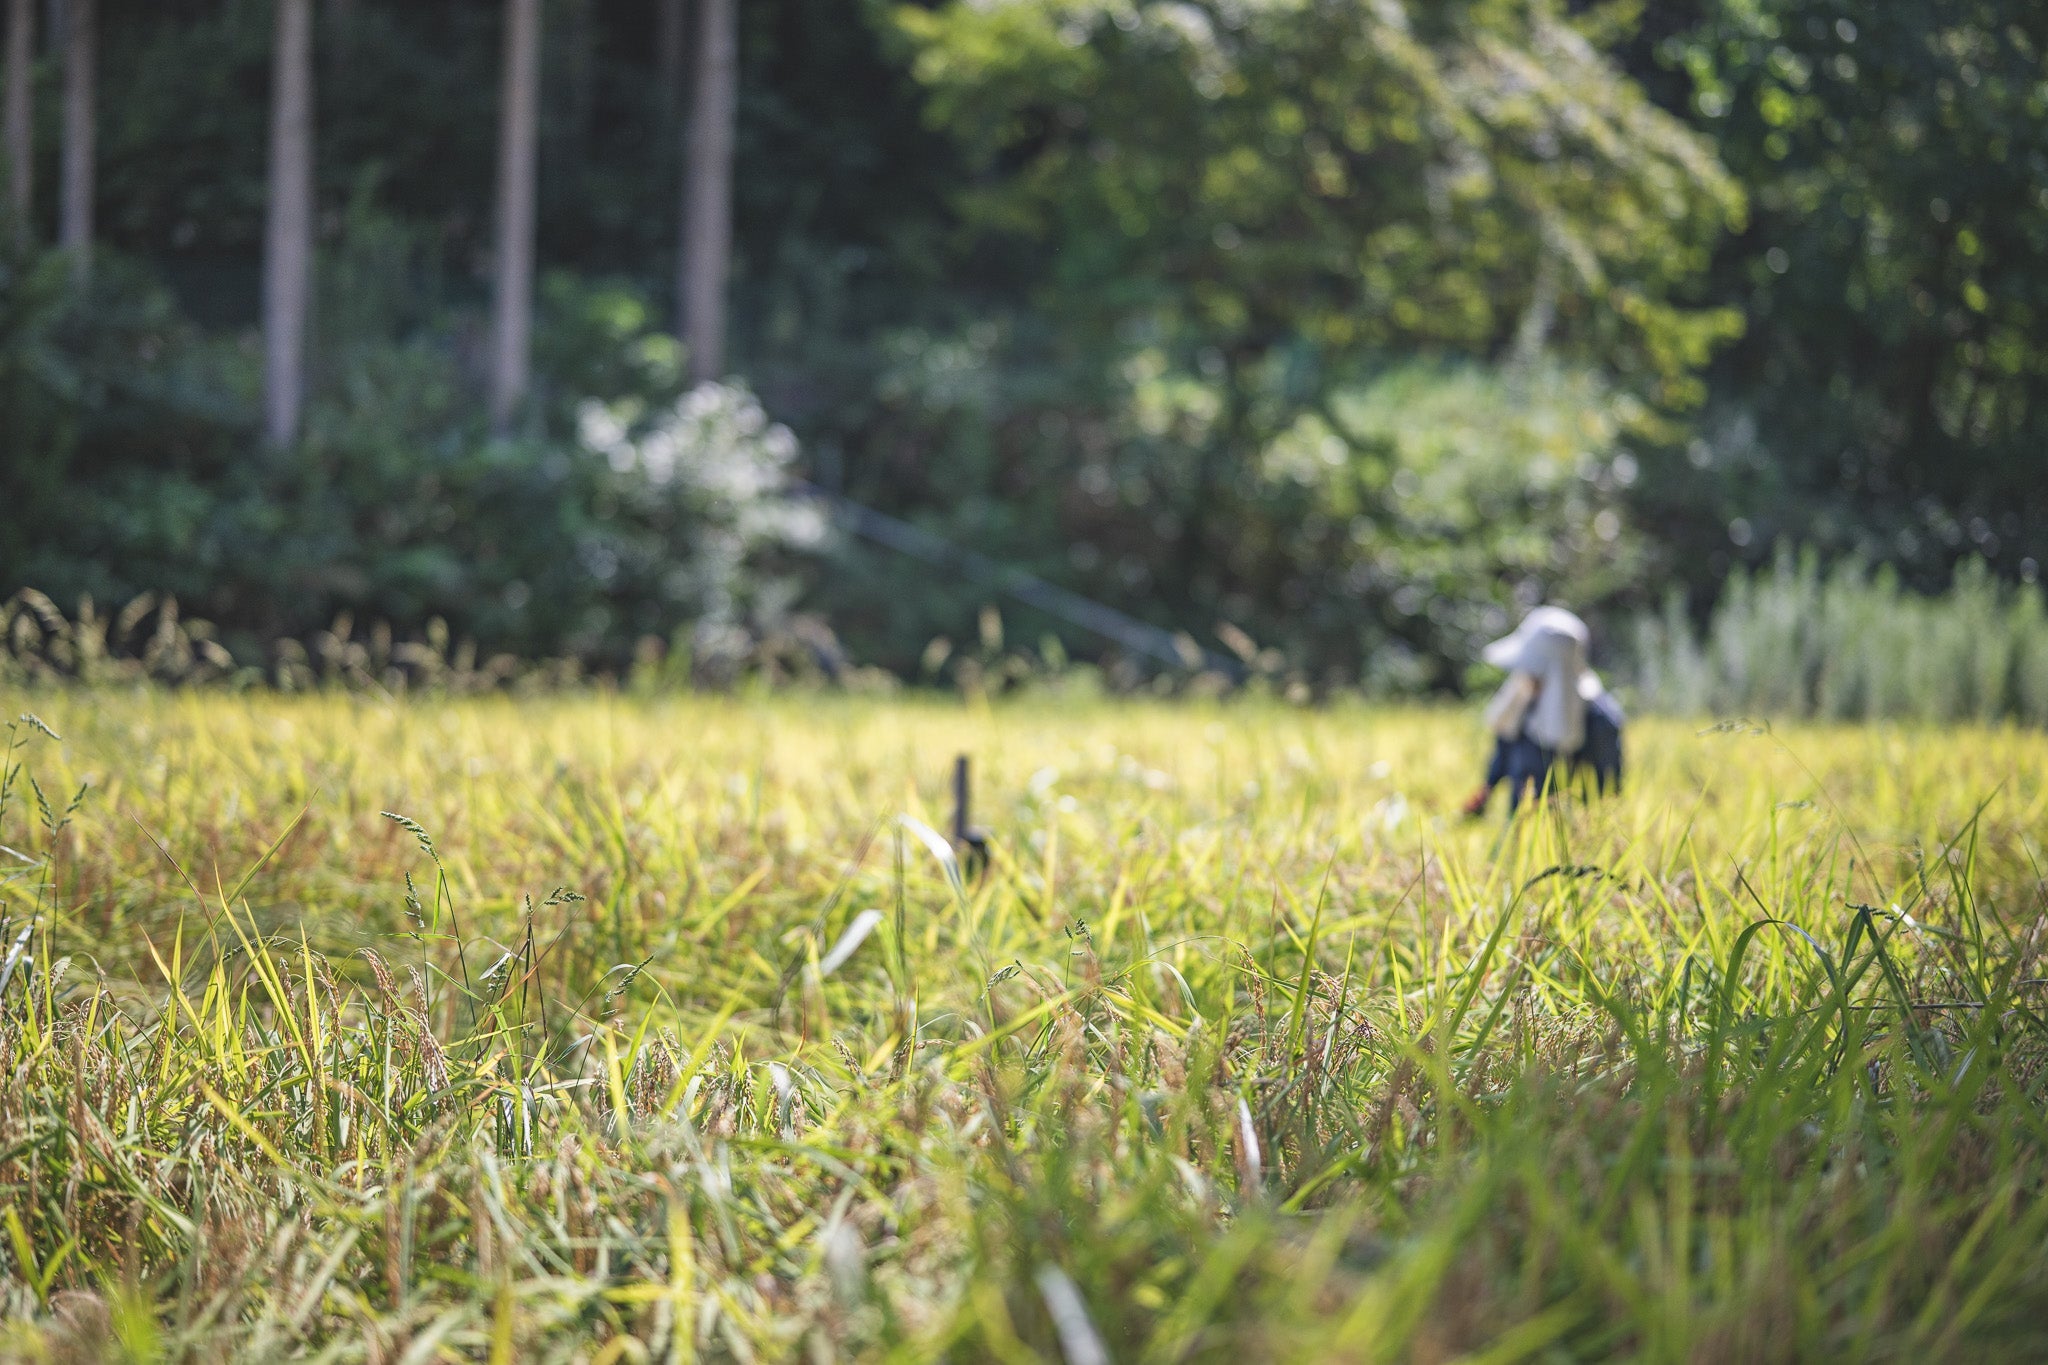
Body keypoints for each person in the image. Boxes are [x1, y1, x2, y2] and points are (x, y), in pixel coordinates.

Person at [1460, 606, 1624, 817]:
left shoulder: (1600, 721)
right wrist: (1487, 790)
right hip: (1520, 825)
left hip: (1570, 830)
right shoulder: (1525, 699)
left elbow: (1608, 786)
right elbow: (1504, 748)